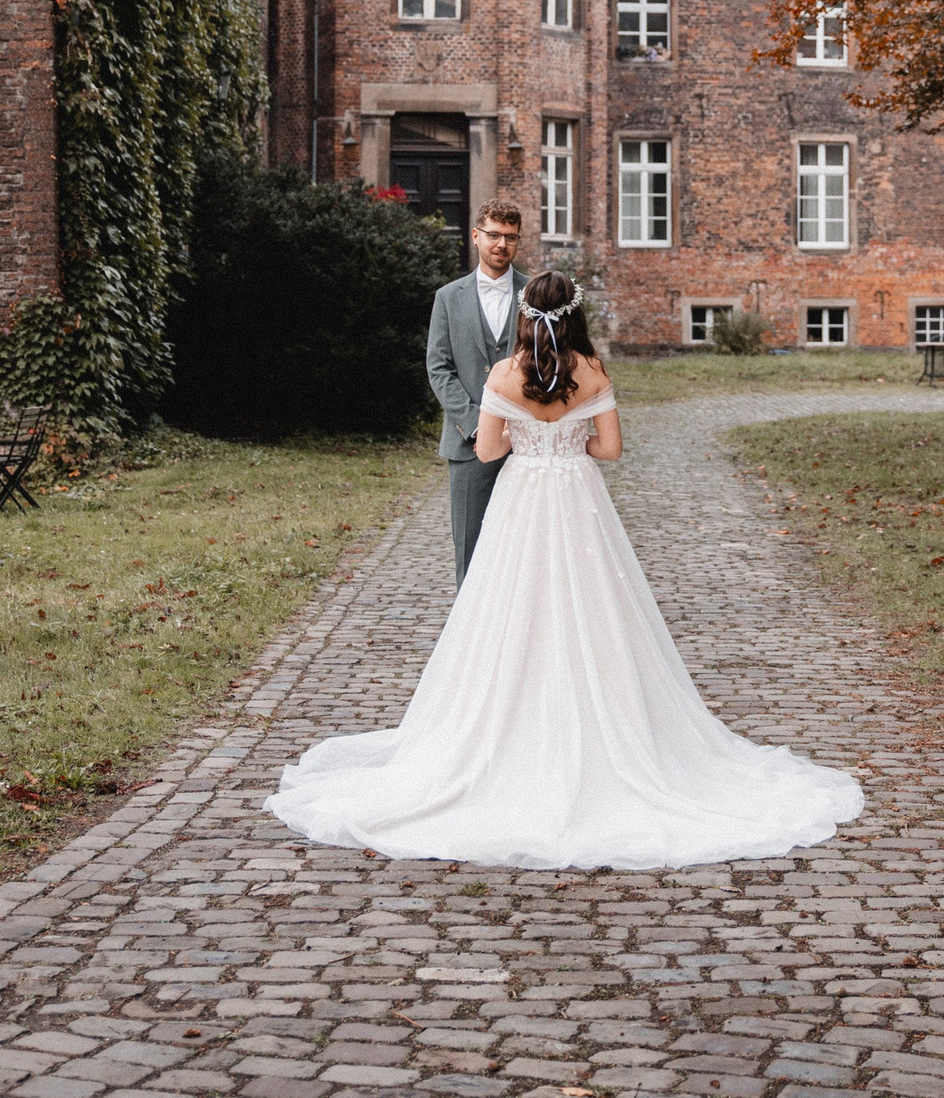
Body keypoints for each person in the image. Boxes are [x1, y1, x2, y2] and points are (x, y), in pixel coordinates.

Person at [265, 271, 864, 870]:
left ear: (526, 315)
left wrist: (525, 439)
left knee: (509, 607)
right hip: (578, 499)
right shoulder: (593, 372)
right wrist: (567, 443)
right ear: (577, 316)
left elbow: (487, 451)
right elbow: (610, 450)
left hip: (521, 499)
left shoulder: (503, 374)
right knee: (596, 608)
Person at [425, 200, 526, 584]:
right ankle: (470, 639)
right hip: (467, 445)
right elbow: (439, 367)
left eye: (511, 237)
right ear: (476, 236)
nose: (502, 244)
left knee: (524, 547)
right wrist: (474, 423)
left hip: (525, 444)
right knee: (470, 547)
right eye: (494, 235)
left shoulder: (535, 294)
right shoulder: (448, 297)